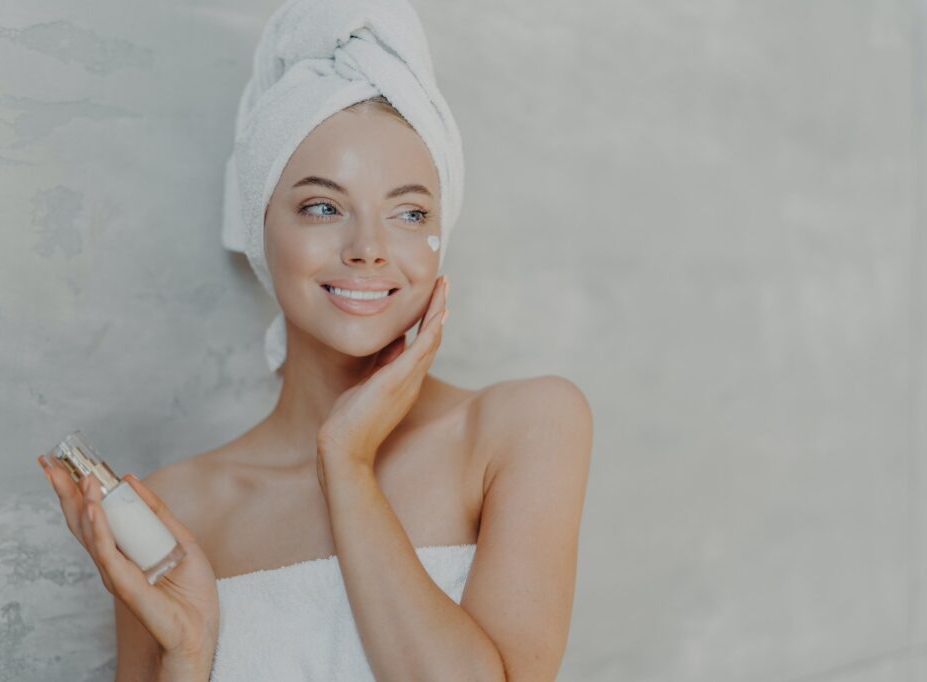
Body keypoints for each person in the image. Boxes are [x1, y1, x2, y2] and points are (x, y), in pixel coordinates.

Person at [38, 4, 592, 681]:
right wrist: (185, 658)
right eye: (323, 207)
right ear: (260, 224)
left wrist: (347, 465)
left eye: (410, 212)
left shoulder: (521, 428)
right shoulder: (175, 512)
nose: (367, 249)